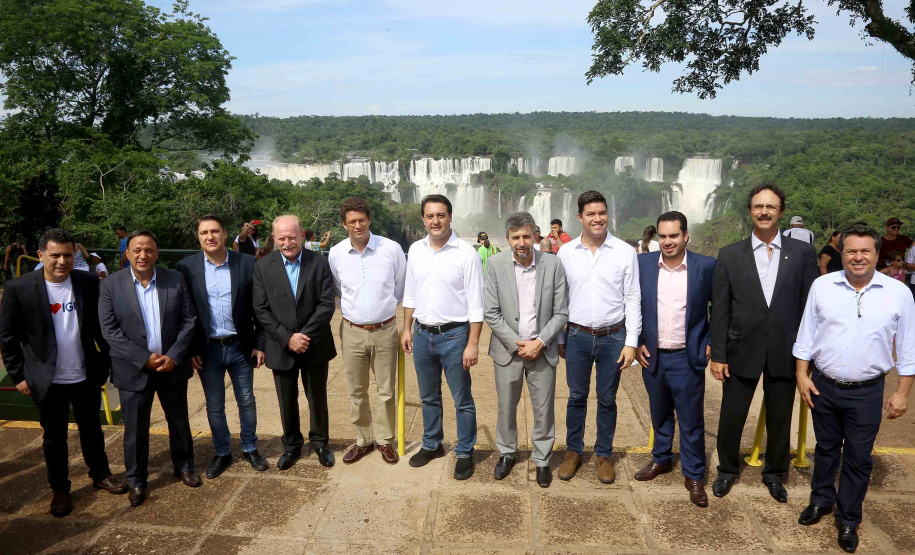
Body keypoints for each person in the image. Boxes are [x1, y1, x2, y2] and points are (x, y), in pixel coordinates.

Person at [794, 224, 914, 554]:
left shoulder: (898, 293)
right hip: (824, 385)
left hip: (867, 391)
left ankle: (848, 518)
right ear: (841, 252)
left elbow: (907, 349)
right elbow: (806, 335)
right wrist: (802, 377)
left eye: (865, 251)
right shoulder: (822, 286)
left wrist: (902, 393)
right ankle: (821, 501)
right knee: (826, 450)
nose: (857, 257)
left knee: (859, 458)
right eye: (851, 251)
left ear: (877, 254)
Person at [0, 228, 127, 517]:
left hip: (85, 374)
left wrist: (105, 360)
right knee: (54, 437)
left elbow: (103, 326)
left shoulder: (88, 282)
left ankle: (100, 475)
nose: (61, 261)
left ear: (75, 256)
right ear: (41, 255)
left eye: (67, 255)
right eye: (55, 255)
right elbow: (8, 337)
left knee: (92, 430)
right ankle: (59, 489)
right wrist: (18, 375)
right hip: (46, 378)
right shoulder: (19, 288)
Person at [709, 183, 818, 503]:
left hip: (786, 349)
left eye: (770, 206)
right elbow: (721, 309)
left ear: (781, 211)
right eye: (758, 206)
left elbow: (810, 307)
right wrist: (719, 353)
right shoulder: (730, 254)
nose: (764, 212)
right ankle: (727, 471)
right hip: (741, 348)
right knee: (732, 414)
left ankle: (774, 474)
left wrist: (807, 354)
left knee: (780, 417)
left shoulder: (802, 253)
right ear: (750, 211)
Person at [98, 230, 199, 507]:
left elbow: (189, 321)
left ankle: (185, 467)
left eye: (149, 250)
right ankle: (137, 480)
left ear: (157, 252)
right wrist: (143, 358)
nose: (143, 255)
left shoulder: (175, 279)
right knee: (135, 429)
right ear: (127, 253)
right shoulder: (111, 285)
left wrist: (175, 356)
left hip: (171, 366)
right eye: (137, 250)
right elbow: (109, 329)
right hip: (133, 369)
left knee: (178, 420)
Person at [555, 190, 641, 484]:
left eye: (602, 213)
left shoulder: (625, 252)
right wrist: (559, 337)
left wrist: (632, 341)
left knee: (607, 399)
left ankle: (604, 454)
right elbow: (560, 298)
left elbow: (632, 297)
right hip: (577, 335)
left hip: (613, 337)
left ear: (608, 215)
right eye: (590, 214)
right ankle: (573, 451)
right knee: (576, 397)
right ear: (579, 217)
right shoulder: (566, 253)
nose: (597, 219)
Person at [176, 215, 268, 479]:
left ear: (225, 234)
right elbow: (186, 313)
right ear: (198, 237)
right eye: (204, 232)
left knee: (247, 401)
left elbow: (259, 307)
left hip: (241, 346)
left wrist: (260, 343)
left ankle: (250, 448)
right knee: (214, 404)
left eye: (215, 231)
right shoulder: (187, 267)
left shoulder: (247, 263)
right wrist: (191, 349)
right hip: (208, 349)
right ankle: (222, 451)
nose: (210, 237)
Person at [634, 211, 716, 507]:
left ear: (685, 236)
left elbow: (719, 307)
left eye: (674, 235)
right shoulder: (642, 264)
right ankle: (661, 459)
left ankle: (694, 475)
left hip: (687, 355)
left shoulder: (705, 266)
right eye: (663, 236)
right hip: (652, 355)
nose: (668, 242)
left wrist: (712, 343)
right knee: (659, 413)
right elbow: (632, 304)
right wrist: (638, 342)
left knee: (691, 419)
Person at [402, 194, 483, 480]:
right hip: (423, 334)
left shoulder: (466, 253)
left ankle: (464, 451)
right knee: (428, 396)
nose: (435, 221)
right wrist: (407, 327)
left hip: (455, 336)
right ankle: (432, 444)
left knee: (462, 398)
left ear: (450, 217)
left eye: (440, 215)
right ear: (423, 219)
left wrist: (472, 344)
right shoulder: (416, 250)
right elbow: (410, 292)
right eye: (429, 216)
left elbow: (476, 303)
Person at [483, 212, 568, 487]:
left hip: (542, 349)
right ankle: (507, 453)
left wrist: (540, 342)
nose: (521, 242)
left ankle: (542, 459)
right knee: (506, 407)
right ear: (507, 239)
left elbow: (561, 312)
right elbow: (491, 313)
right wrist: (517, 343)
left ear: (536, 237)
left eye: (526, 236)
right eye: (516, 237)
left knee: (543, 409)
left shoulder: (553, 265)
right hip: (508, 350)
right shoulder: (495, 265)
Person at [253, 215, 337, 470]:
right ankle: (292, 446)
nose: (287, 242)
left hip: (315, 344)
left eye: (292, 237)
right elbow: (260, 308)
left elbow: (326, 304)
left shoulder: (319, 263)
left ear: (302, 235)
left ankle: (321, 443)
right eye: (281, 238)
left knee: (317, 397)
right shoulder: (262, 267)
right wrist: (287, 338)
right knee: (286, 399)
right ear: (274, 239)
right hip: (281, 346)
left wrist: (303, 337)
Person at [329, 197, 406, 465]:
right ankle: (363, 440)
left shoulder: (391, 249)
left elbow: (400, 289)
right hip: (351, 331)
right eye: (352, 221)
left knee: (386, 389)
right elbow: (340, 290)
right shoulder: (336, 254)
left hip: (385, 330)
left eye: (362, 220)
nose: (358, 225)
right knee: (356, 390)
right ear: (344, 224)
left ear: (369, 220)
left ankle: (385, 440)